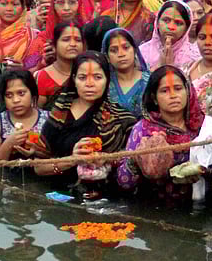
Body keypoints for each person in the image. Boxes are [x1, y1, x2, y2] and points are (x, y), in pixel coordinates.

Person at [39, 51, 138, 196]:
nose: (89, 84)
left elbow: (133, 160)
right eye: (82, 77)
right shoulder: (59, 114)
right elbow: (38, 167)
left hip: (105, 199)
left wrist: (106, 158)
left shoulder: (122, 120)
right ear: (74, 80)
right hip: (57, 196)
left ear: (107, 80)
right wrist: (72, 160)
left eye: (97, 77)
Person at [118, 65, 212, 205]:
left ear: (188, 91)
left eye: (178, 89)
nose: (173, 95)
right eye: (165, 90)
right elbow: (124, 183)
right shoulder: (143, 130)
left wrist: (203, 171)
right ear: (154, 98)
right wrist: (137, 160)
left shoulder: (205, 126)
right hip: (154, 209)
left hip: (200, 208)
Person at [102, 26, 149, 116]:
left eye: (126, 47)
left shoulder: (150, 80)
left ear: (135, 50)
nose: (121, 54)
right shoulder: (104, 84)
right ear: (107, 56)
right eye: (114, 50)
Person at [36, 21, 84, 105]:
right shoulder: (41, 76)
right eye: (66, 40)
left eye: (78, 40)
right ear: (54, 46)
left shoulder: (90, 73)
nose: (73, 44)